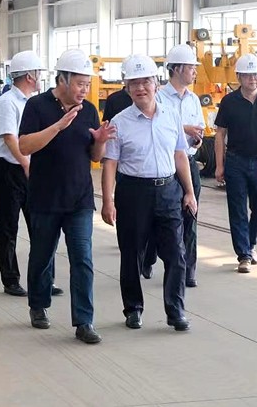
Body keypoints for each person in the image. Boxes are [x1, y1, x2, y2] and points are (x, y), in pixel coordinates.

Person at [19, 48, 116, 344]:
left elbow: (94, 156)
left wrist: (100, 142)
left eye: (87, 84)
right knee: (42, 256)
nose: (84, 90)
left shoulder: (89, 110)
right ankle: (38, 304)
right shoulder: (37, 106)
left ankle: (84, 321)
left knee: (82, 259)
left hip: (79, 198)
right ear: (62, 79)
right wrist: (58, 126)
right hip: (45, 197)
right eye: (79, 84)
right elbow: (25, 146)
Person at [101, 55, 196, 332]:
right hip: (133, 193)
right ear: (127, 88)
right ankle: (133, 308)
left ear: (156, 84)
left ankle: (176, 310)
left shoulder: (171, 116)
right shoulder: (119, 122)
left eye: (145, 82)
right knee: (132, 254)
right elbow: (110, 164)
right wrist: (107, 201)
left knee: (176, 253)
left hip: (168, 191)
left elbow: (180, 155)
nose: (140, 88)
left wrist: (189, 192)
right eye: (134, 83)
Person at [0, 50, 61, 297]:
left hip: (33, 170)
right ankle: (11, 280)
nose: (41, 77)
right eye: (39, 73)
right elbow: (10, 138)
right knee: (8, 227)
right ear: (30, 76)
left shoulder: (35, 102)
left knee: (41, 227)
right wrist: (27, 165)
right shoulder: (7, 102)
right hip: (10, 171)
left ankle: (45, 280)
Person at [143, 44, 205, 287]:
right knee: (158, 218)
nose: (194, 72)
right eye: (191, 67)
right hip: (164, 166)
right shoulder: (157, 97)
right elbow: (156, 127)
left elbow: (199, 129)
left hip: (188, 162)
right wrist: (184, 129)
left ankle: (188, 269)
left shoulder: (194, 100)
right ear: (177, 69)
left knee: (191, 216)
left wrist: (197, 138)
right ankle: (148, 257)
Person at [214, 53, 257, 274]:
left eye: (256, 75)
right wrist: (220, 165)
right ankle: (243, 255)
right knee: (238, 210)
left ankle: (250, 244)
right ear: (239, 78)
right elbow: (220, 134)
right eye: (248, 75)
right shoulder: (229, 102)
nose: (253, 79)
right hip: (235, 163)